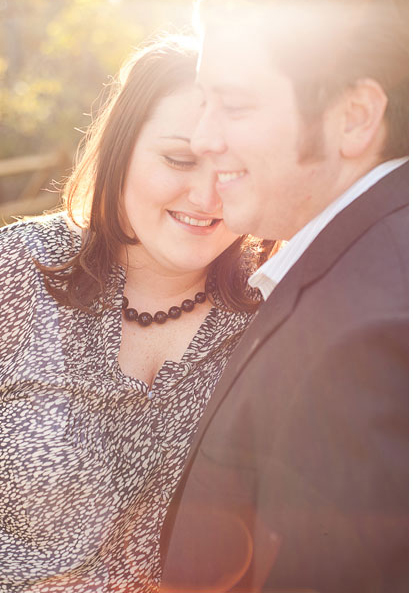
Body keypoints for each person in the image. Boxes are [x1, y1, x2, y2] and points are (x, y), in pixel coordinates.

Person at [0, 35, 272, 591]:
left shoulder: (275, 313)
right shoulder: (16, 272)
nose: (206, 197)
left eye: (235, 168)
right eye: (179, 159)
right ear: (122, 148)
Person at [158, 1, 408, 592]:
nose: (203, 138)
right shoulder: (344, 264)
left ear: (354, 117)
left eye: (236, 105)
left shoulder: (368, 331)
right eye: (204, 102)